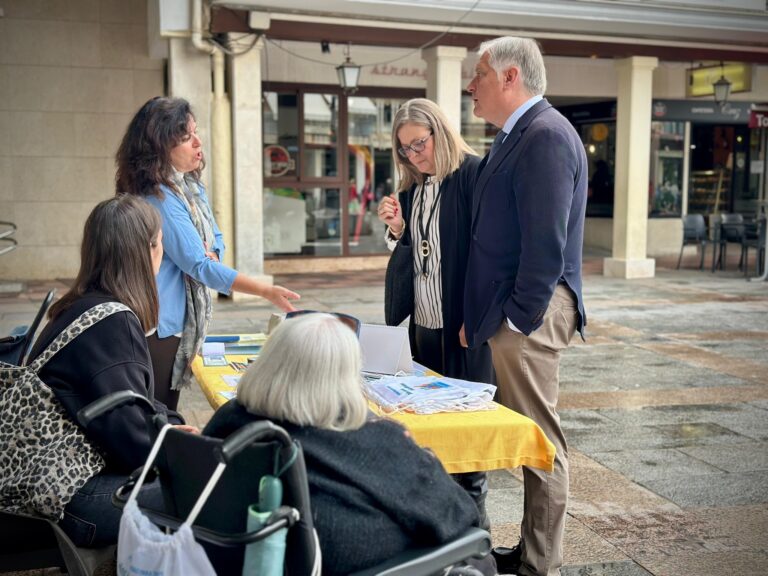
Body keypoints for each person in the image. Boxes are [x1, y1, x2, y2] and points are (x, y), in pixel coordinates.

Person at [203, 313, 495, 576]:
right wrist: (425, 460)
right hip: (358, 562)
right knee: (478, 555)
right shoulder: (376, 441)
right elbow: (458, 514)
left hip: (239, 557)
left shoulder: (232, 419)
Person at [462, 37, 588, 576]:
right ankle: (533, 551)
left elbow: (546, 245)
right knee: (530, 437)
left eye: (479, 75)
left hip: (529, 315)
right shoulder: (518, 135)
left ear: (510, 77)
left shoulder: (544, 135)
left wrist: (516, 318)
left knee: (540, 441)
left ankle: (542, 564)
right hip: (511, 313)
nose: (472, 86)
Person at [27, 195, 196, 547]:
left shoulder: (81, 305)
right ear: (148, 250)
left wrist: (171, 427)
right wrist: (178, 444)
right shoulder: (111, 322)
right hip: (74, 500)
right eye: (160, 242)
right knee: (212, 491)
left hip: (65, 483)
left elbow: (130, 406)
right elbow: (132, 440)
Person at [115, 96, 300, 411]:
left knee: (163, 409)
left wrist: (210, 251)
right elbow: (197, 264)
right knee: (157, 410)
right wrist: (264, 290)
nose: (199, 142)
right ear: (159, 148)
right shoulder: (161, 199)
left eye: (195, 132)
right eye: (186, 138)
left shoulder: (189, 187)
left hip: (175, 320)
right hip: (160, 322)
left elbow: (215, 237)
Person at [377, 97, 495, 528]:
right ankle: (441, 538)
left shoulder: (471, 175)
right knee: (429, 439)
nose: (413, 155)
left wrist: (478, 317)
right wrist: (397, 231)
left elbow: (489, 252)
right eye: (404, 149)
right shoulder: (410, 189)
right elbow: (416, 255)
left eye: (419, 144)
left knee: (467, 448)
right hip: (422, 329)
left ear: (440, 133)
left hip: (461, 329)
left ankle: (475, 547)